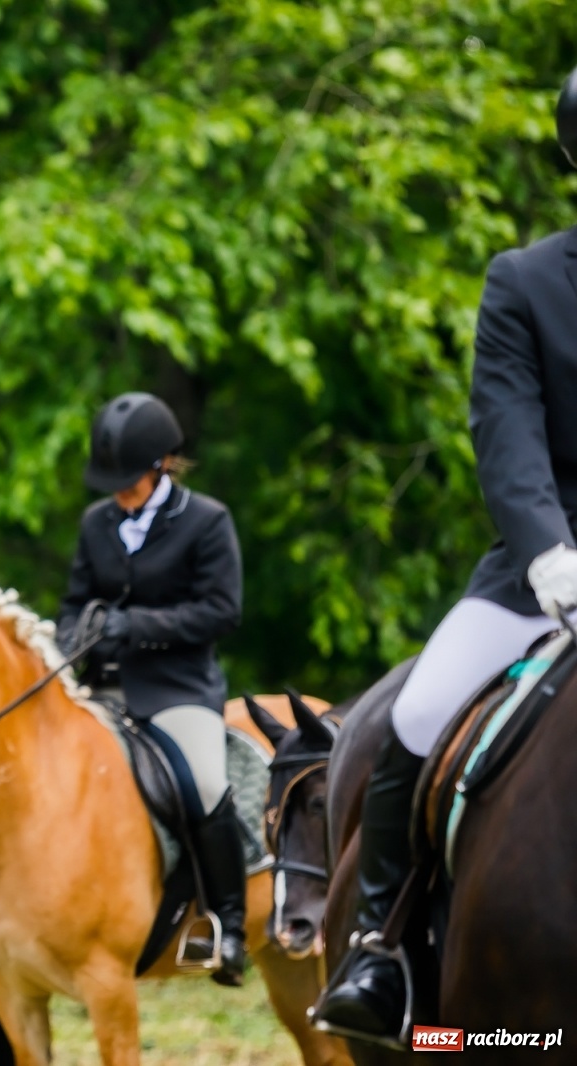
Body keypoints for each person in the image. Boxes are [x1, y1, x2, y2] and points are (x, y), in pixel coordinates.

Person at [315, 66, 577, 1042]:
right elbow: (505, 436)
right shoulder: (525, 282)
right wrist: (553, 557)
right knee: (416, 715)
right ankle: (377, 952)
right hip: (540, 580)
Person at [57, 393, 247, 986]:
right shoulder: (97, 524)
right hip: (102, 686)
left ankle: (227, 922)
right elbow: (73, 602)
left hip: (177, 689)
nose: (119, 492)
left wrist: (133, 625)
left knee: (204, 784)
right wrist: (70, 639)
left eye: (130, 481)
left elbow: (221, 611)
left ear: (163, 465)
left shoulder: (207, 521)